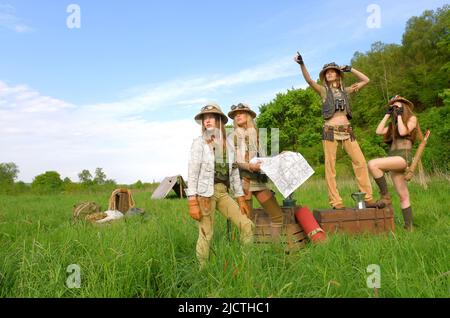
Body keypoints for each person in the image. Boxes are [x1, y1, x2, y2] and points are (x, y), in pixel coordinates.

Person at [294, 52, 376, 209]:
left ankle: (367, 196)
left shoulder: (346, 91)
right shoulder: (324, 91)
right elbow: (309, 81)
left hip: (347, 131)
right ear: (325, 77)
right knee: (330, 166)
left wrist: (350, 69)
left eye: (333, 71)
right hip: (330, 131)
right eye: (327, 72)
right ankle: (336, 201)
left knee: (360, 162)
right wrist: (302, 64)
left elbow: (366, 80)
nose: (330, 73)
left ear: (338, 75)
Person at [186, 103, 254, 268]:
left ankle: (246, 263)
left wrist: (241, 199)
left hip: (223, 193)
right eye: (204, 118)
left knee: (247, 225)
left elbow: (234, 173)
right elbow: (192, 173)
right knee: (206, 234)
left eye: (211, 117)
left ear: (219, 121)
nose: (207, 121)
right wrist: (192, 201)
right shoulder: (199, 143)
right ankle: (203, 269)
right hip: (204, 194)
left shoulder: (228, 145)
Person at [228, 103, 284, 238]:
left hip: (258, 181)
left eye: (241, 113)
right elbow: (235, 161)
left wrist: (280, 157)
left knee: (278, 217)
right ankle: (246, 255)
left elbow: (263, 159)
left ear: (249, 116)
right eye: (235, 115)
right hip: (243, 182)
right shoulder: (232, 136)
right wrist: (249, 166)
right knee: (246, 222)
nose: (238, 116)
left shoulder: (258, 134)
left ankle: (275, 249)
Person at [368, 95, 423, 230]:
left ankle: (385, 196)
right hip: (393, 158)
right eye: (393, 107)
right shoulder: (393, 126)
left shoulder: (412, 119)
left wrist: (399, 116)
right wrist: (387, 115)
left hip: (404, 157)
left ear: (404, 106)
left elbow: (403, 131)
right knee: (403, 195)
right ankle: (409, 227)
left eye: (398, 106)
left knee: (373, 164)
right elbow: (378, 131)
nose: (395, 108)